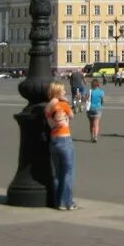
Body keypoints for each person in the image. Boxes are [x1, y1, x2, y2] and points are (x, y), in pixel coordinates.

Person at [44, 81, 78, 210]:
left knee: (58, 172)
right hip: (64, 139)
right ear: (58, 92)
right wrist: (65, 102)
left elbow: (48, 114)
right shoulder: (63, 105)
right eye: (63, 90)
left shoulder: (48, 107)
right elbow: (72, 116)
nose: (65, 92)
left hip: (54, 139)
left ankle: (58, 202)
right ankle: (67, 203)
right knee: (68, 172)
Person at [87, 79, 105, 143]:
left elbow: (87, 99)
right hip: (97, 109)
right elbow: (102, 100)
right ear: (98, 84)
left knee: (91, 124)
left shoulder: (90, 91)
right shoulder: (101, 92)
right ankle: (95, 137)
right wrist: (101, 105)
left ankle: (92, 136)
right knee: (96, 124)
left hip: (90, 109)